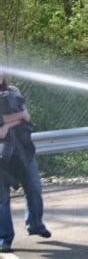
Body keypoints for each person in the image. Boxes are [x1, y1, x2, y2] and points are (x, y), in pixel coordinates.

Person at [0, 73, 51, 253]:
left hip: (23, 151)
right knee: (2, 199)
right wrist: (12, 120)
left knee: (34, 188)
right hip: (2, 158)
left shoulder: (14, 91)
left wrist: (7, 124)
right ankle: (4, 238)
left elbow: (26, 115)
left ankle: (35, 224)